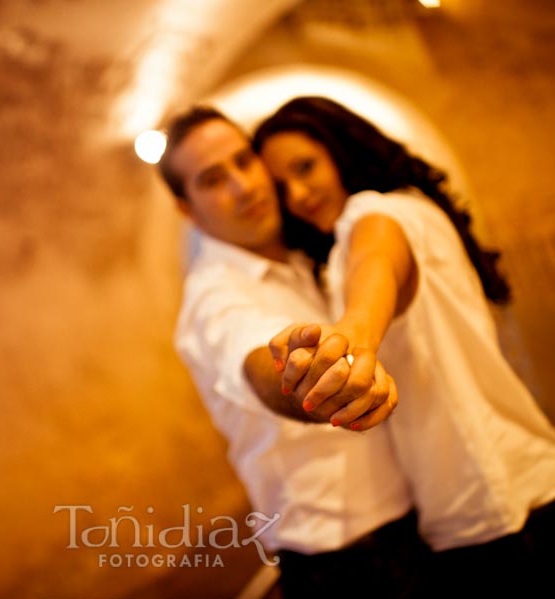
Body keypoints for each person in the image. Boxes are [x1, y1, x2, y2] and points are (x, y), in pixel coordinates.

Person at [251, 96, 555, 598]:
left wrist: (352, 335)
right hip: (523, 479)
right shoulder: (412, 206)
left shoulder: (374, 213)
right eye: (282, 187)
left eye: (306, 167)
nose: (297, 194)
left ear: (341, 151)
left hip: (488, 505)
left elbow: (379, 262)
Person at [159, 106, 430, 597]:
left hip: (409, 524)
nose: (244, 187)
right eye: (213, 179)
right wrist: (308, 379)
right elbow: (259, 364)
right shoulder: (214, 298)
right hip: (341, 561)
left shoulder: (305, 258)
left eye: (244, 161)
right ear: (187, 208)